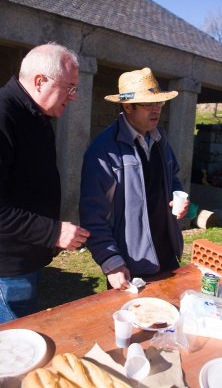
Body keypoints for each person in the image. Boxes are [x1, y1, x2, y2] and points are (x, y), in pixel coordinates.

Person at [0, 43, 90, 323]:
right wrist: (52, 232)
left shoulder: (36, 115)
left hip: (26, 257)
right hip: (7, 269)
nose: (74, 97)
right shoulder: (4, 116)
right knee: (14, 353)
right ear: (40, 81)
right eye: (71, 87)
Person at [80, 67, 189, 290]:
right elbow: (92, 215)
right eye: (148, 104)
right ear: (127, 106)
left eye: (159, 103)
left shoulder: (160, 140)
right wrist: (111, 261)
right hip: (129, 265)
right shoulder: (103, 150)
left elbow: (173, 176)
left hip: (167, 253)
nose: (156, 110)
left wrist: (177, 197)